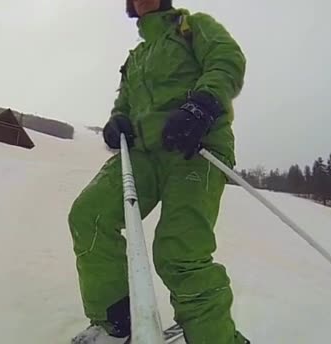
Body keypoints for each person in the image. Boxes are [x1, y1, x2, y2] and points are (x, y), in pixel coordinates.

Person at [69, 0, 247, 343]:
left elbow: (227, 60)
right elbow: (124, 105)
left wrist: (202, 105)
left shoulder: (193, 27)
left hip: (196, 148)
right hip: (143, 155)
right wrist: (116, 122)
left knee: (180, 252)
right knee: (89, 215)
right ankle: (118, 325)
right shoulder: (135, 58)